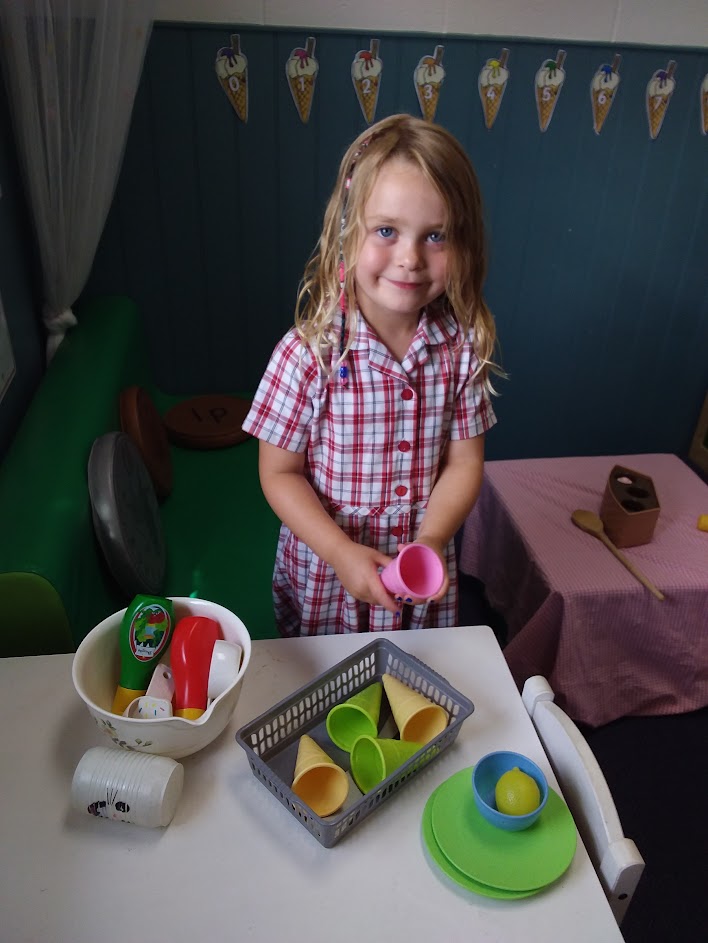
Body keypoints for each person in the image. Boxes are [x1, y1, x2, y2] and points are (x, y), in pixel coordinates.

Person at [243, 113, 500, 637]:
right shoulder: (308, 353)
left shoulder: (460, 349)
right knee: (327, 693)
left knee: (407, 689)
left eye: (436, 236)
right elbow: (279, 473)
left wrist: (431, 540)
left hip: (419, 567)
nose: (409, 258)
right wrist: (339, 552)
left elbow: (464, 463)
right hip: (332, 569)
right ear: (347, 233)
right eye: (386, 231)